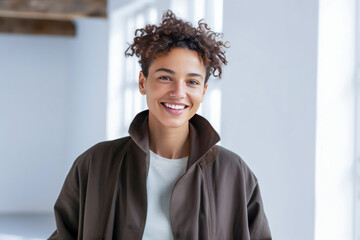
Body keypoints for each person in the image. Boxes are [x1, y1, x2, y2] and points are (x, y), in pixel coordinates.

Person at [49, 10, 271, 240]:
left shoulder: (234, 172)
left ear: (203, 91)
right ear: (143, 82)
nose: (178, 93)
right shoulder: (95, 164)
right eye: (165, 77)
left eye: (192, 82)